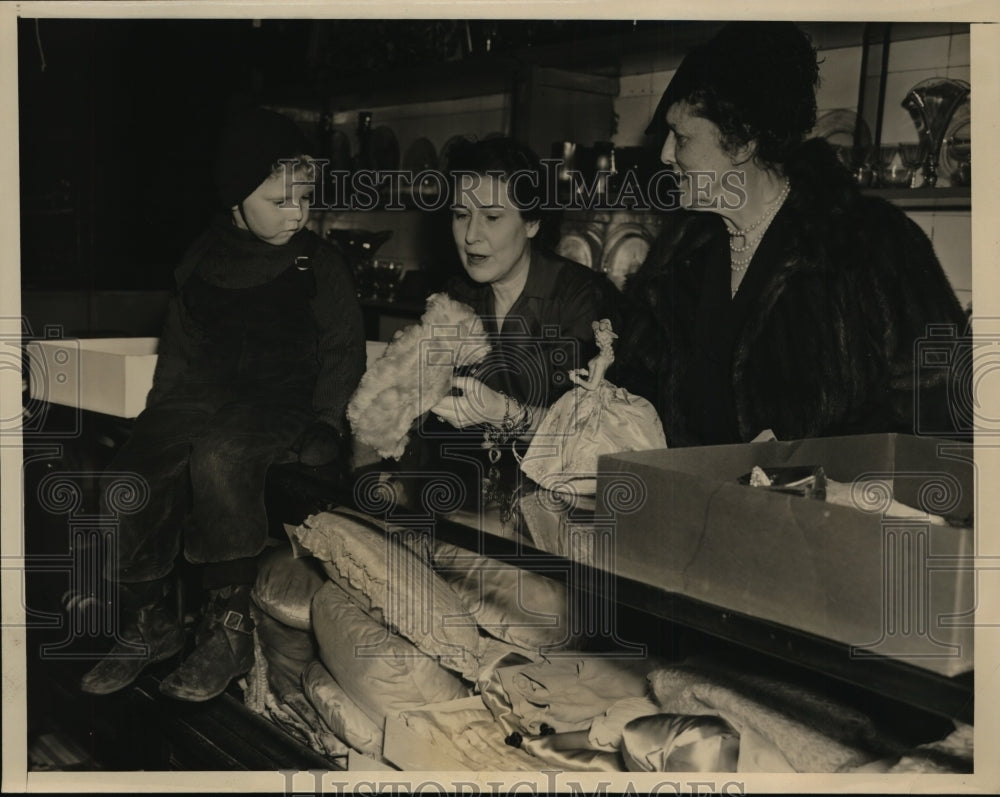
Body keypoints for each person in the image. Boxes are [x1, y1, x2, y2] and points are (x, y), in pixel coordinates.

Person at [80, 107, 366, 700]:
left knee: (221, 456)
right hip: (198, 395)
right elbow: (179, 358)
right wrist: (156, 424)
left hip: (277, 400)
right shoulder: (202, 260)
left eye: (306, 197)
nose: (299, 212)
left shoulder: (318, 262)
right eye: (281, 199)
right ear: (237, 197)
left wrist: (325, 422)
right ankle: (148, 622)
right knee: (127, 476)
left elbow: (343, 348)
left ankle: (229, 628)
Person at [614, 22, 971, 446]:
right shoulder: (682, 250)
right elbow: (637, 388)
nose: (665, 155)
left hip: (824, 510)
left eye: (682, 137)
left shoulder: (869, 242)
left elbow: (942, 404)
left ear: (742, 142)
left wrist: (808, 462)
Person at [420, 137, 622, 512]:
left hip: (564, 507)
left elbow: (594, 439)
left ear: (532, 222)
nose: (470, 236)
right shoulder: (456, 295)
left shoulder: (581, 299)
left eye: (492, 218)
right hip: (473, 502)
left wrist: (503, 413)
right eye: (461, 214)